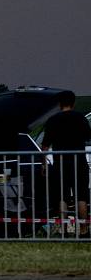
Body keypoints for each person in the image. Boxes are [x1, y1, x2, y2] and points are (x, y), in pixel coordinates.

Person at [41, 91, 90, 232]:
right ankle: (83, 229)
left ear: (59, 104)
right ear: (73, 103)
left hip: (60, 163)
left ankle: (63, 229)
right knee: (81, 197)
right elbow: (88, 136)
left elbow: (45, 146)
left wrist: (43, 164)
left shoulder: (52, 120)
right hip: (79, 162)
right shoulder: (80, 118)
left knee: (61, 197)